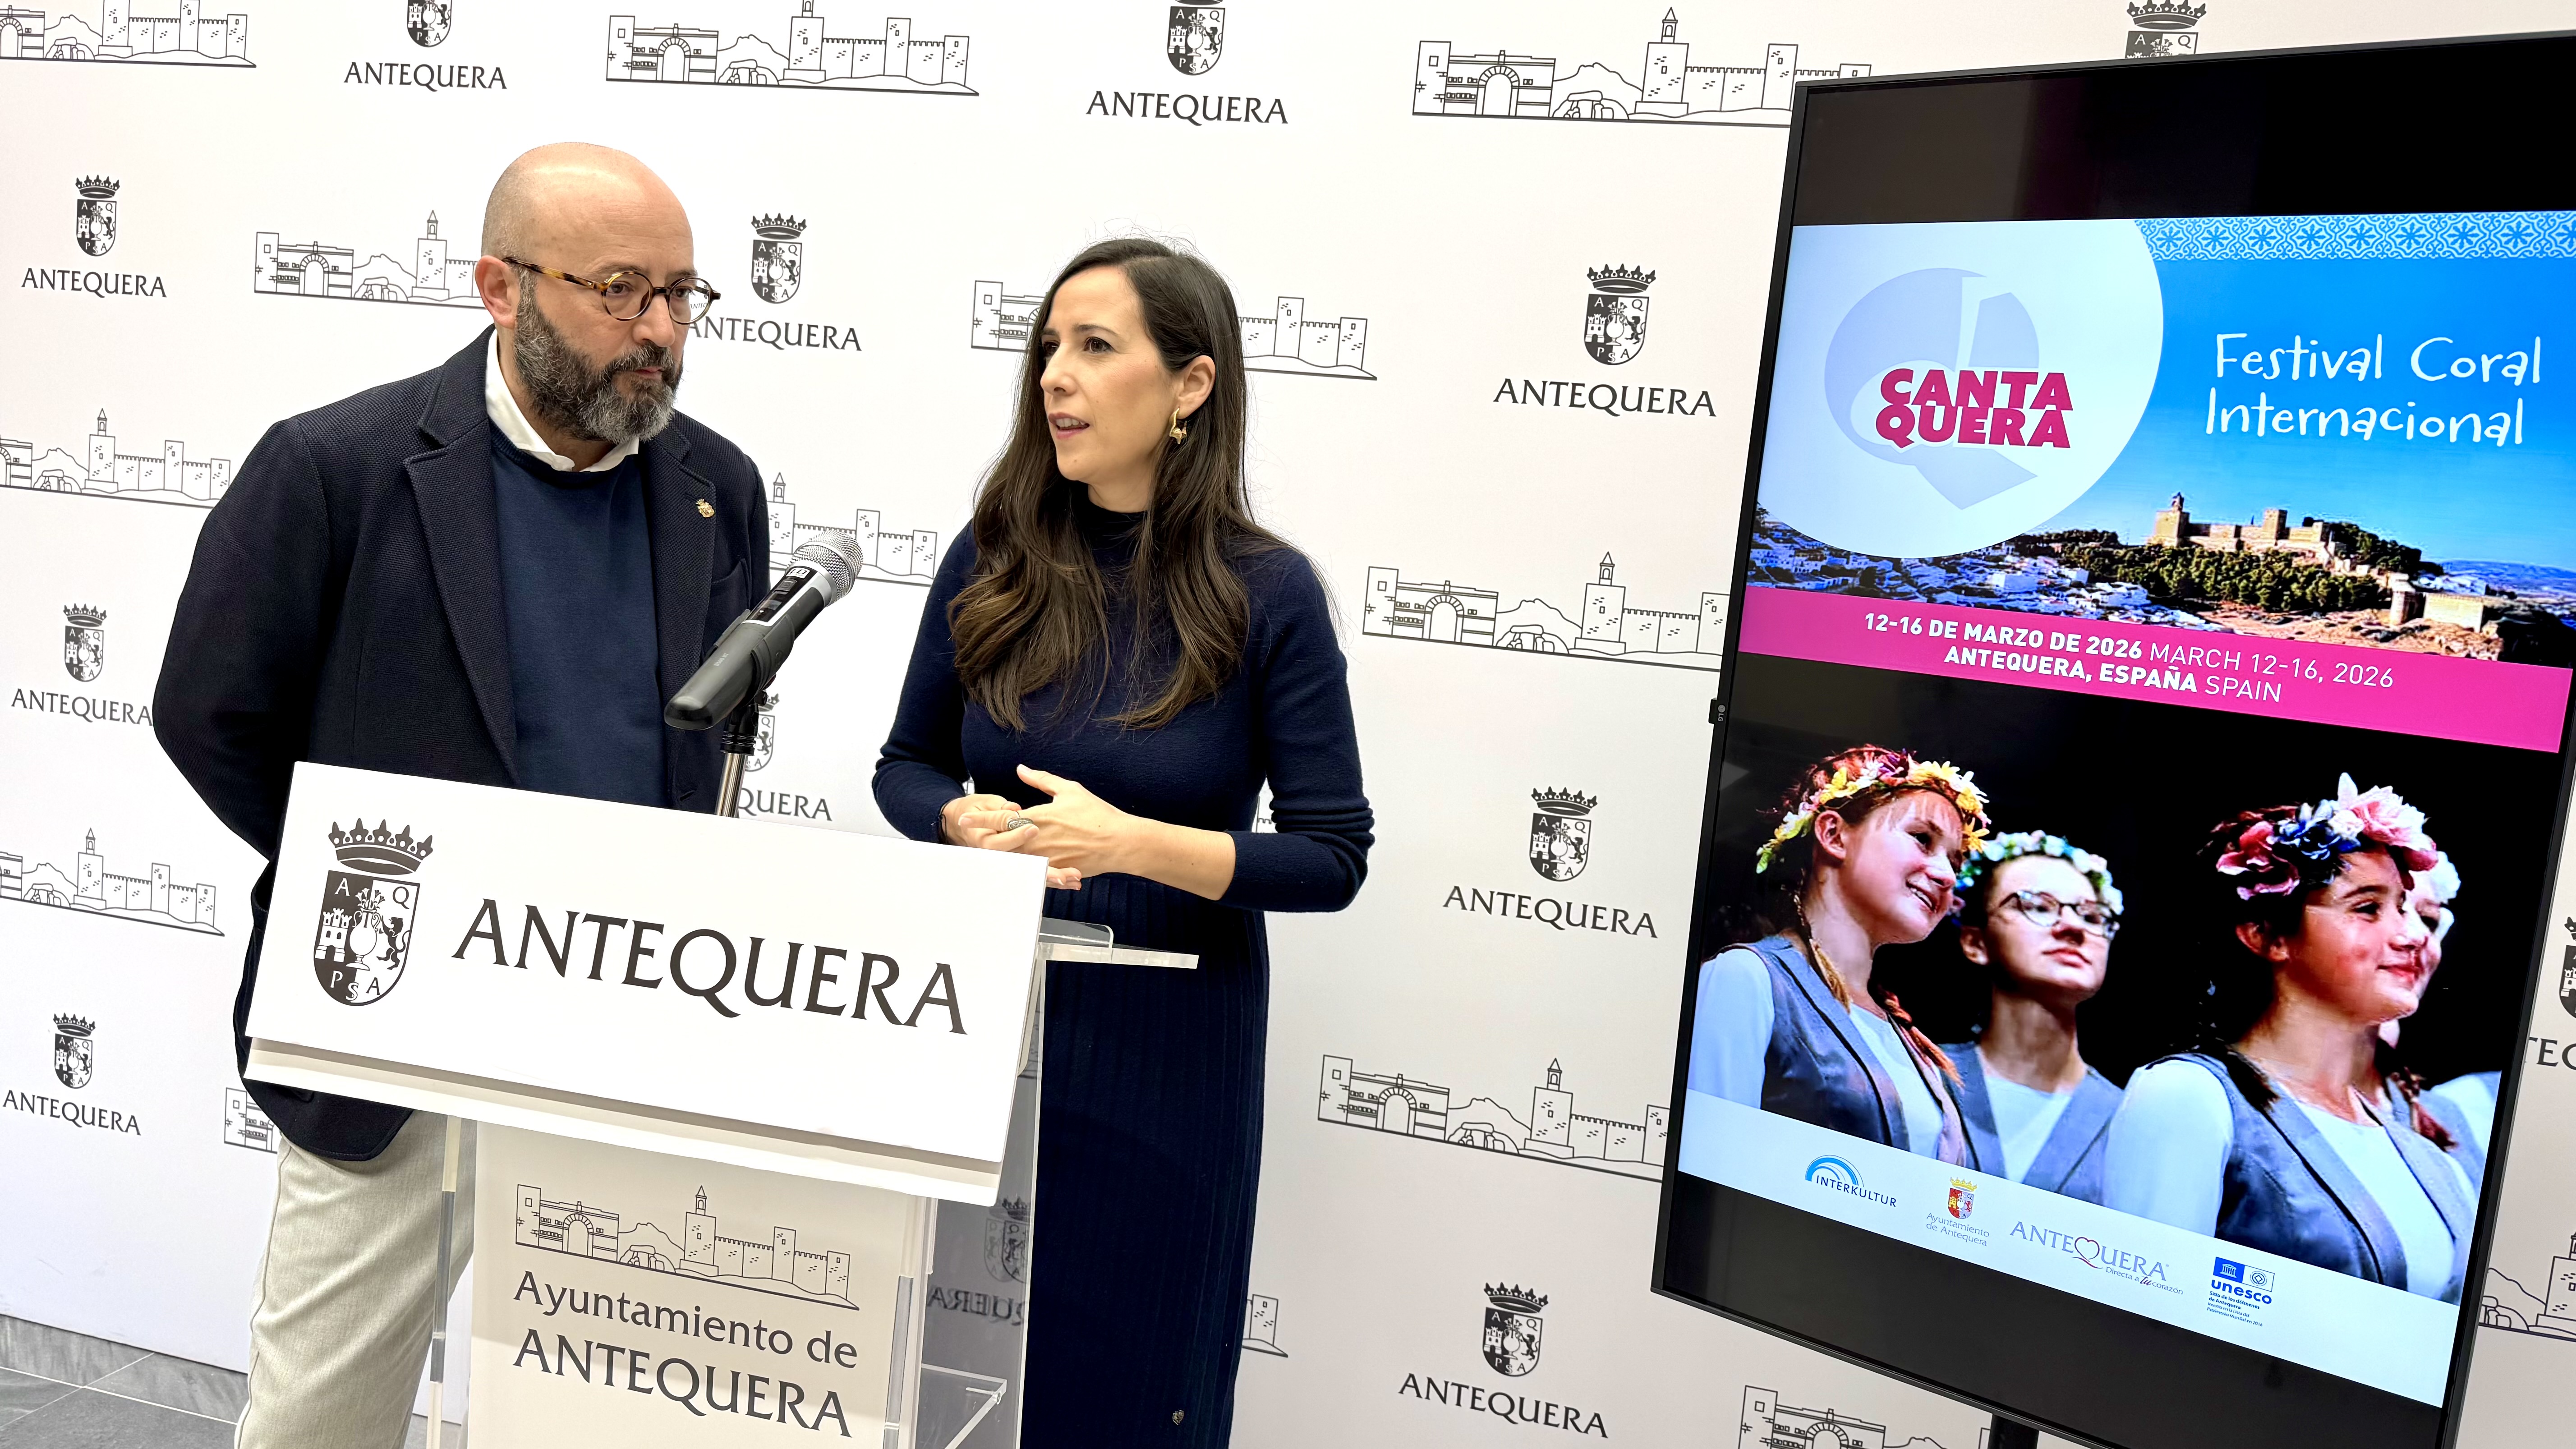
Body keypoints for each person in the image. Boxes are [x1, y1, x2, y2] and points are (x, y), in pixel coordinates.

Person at [152, 144, 763, 1447]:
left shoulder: (718, 488)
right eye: (620, 290)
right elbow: (210, 713)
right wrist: (370, 878)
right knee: (321, 1417)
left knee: (606, 1416)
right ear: (502, 286)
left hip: (627, 1027)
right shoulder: (336, 467)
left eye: (680, 294)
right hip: (396, 1030)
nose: (660, 331)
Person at [873, 237, 1371, 1444]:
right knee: (966, 1391)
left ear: (1191, 385)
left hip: (1166, 1067)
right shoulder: (992, 557)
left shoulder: (1267, 593)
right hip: (987, 1042)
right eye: (1050, 346)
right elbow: (904, 766)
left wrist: (1133, 842)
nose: (1056, 375)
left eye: (1096, 347)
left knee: (1129, 1393)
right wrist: (954, 816)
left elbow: (1330, 856)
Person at [2104, 779, 2475, 1302]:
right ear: (2268, 935)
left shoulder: (2434, 1161)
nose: (2413, 936)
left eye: (2407, 910)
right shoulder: (2189, 1098)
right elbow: (2138, 1309)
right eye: (2367, 908)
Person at [1688, 745, 1992, 1167]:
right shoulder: (1745, 978)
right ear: (1833, 835)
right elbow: (1709, 1167)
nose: (1946, 875)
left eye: (1955, 861)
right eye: (1922, 839)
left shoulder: (1906, 1036)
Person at [1938, 832, 2125, 1202]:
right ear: (1976, 942)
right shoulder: (1922, 1077)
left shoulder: (2130, 1118)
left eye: (2091, 915)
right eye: (2037, 906)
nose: (2073, 927)